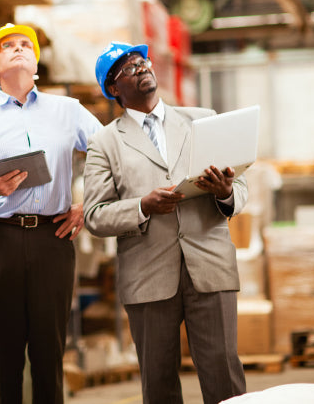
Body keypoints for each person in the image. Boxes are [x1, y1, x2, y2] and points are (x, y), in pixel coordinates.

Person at [83, 41, 247, 404]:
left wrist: (225, 192)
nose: (141, 69)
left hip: (210, 266)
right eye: (128, 69)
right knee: (158, 385)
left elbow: (242, 184)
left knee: (225, 378)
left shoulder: (202, 119)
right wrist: (142, 206)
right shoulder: (105, 143)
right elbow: (94, 215)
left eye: (142, 62)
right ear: (113, 89)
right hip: (148, 275)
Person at [0, 23, 102, 404]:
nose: (19, 49)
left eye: (26, 45)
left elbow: (111, 154)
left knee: (48, 351)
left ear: (36, 63)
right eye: (8, 47)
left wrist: (89, 203)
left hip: (51, 238)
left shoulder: (68, 111)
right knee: (4, 355)